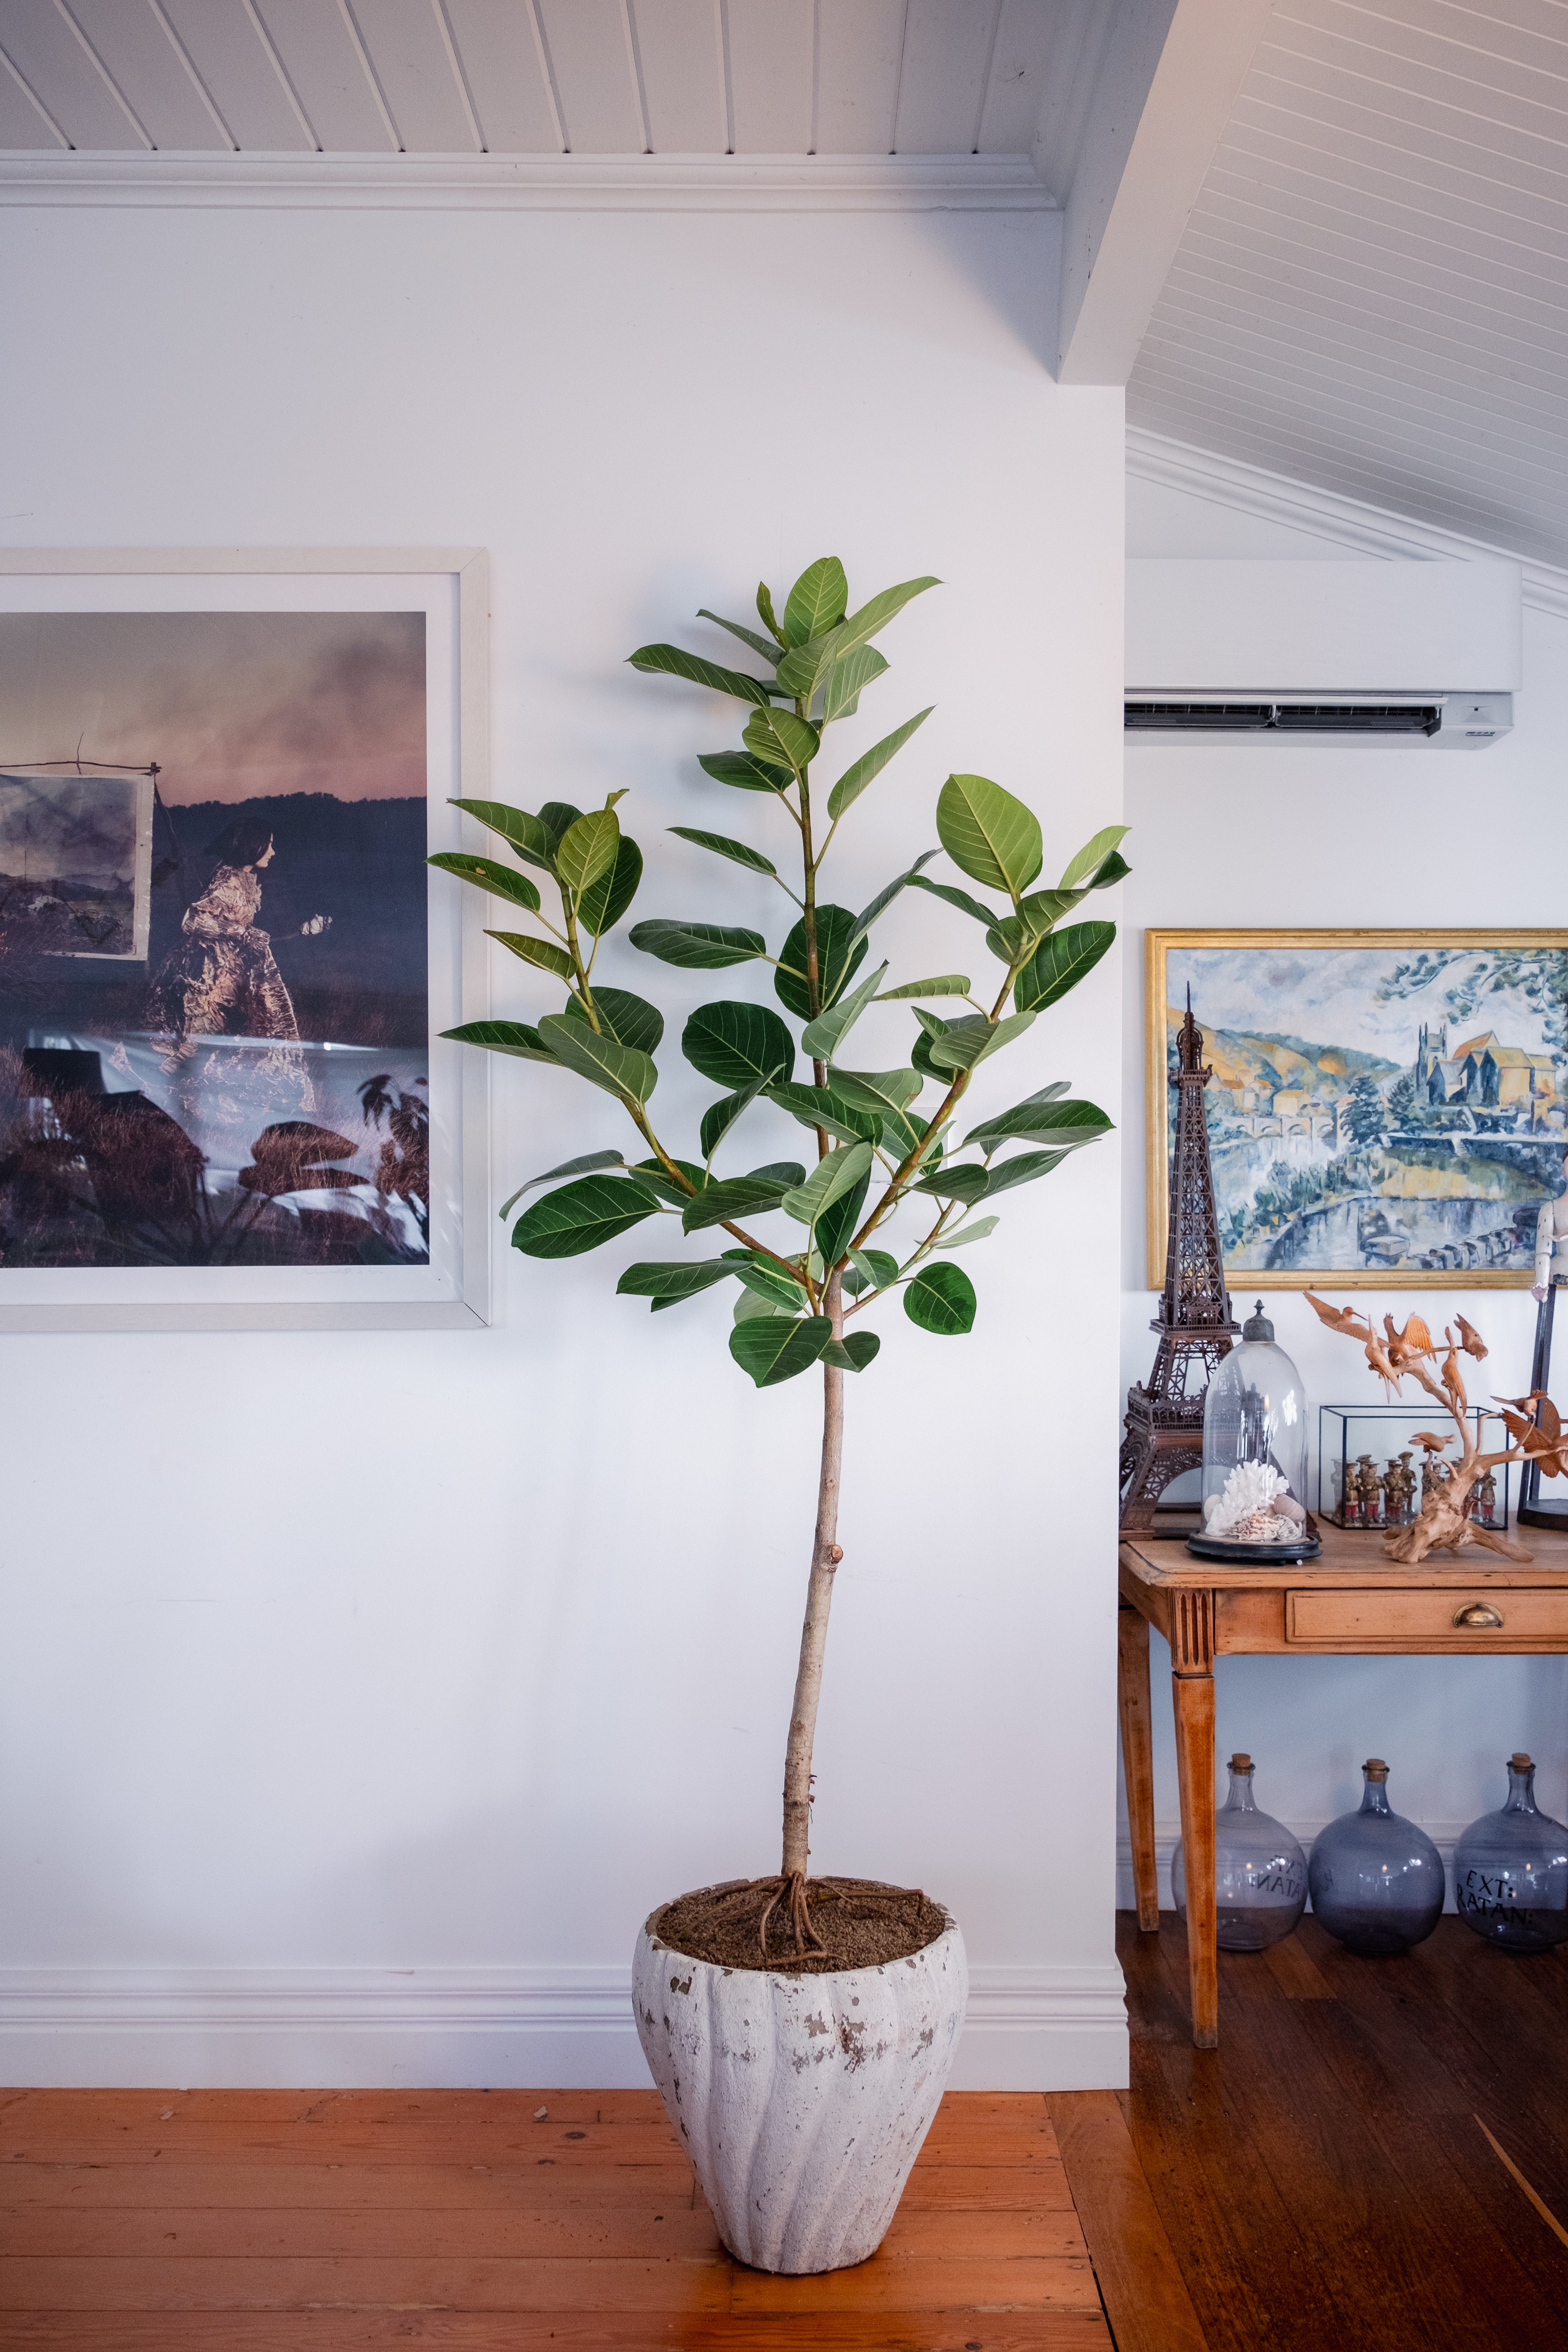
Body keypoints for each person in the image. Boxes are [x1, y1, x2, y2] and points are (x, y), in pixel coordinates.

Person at [145, 816, 313, 1117]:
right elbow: (193, 921)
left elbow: (243, 920)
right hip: (207, 970)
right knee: (203, 1038)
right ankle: (172, 1098)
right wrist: (243, 933)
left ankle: (198, 1098)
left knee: (231, 1035)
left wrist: (300, 929)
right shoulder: (228, 880)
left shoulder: (244, 878)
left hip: (231, 969)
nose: (273, 852)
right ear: (253, 846)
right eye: (268, 845)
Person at [1532, 1146, 1568, 1302]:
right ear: (1563, 1170)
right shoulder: (1550, 1208)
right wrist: (1541, 1287)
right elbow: (1543, 1252)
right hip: (1561, 1270)